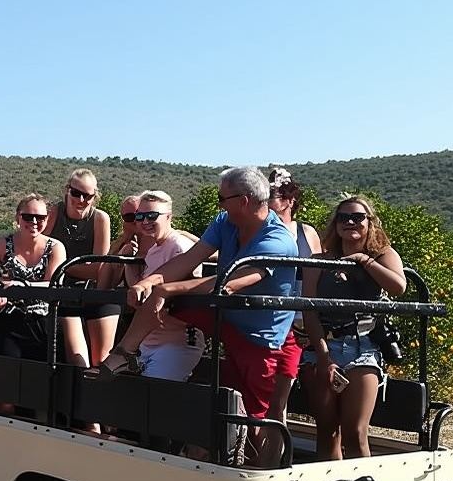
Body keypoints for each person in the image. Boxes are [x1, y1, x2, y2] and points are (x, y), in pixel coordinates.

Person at [96, 166, 298, 464]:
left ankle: (261, 477)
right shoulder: (226, 222)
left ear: (243, 201)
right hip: (225, 318)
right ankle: (124, 352)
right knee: (162, 298)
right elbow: (189, 260)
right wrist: (149, 283)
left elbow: (230, 283)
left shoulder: (276, 240)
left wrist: (167, 289)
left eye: (222, 199)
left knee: (256, 419)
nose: (219, 205)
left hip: (260, 335)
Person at [301, 196, 406, 459]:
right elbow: (309, 311)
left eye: (357, 217)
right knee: (327, 431)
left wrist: (362, 260)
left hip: (363, 348)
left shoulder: (383, 255)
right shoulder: (319, 261)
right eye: (343, 218)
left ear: (370, 222)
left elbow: (398, 286)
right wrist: (324, 357)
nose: (350, 222)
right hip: (323, 347)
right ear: (335, 224)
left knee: (356, 432)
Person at [0, 195, 65, 412]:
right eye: (28, 216)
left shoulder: (55, 247)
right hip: (9, 322)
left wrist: (21, 285)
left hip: (44, 323)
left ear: (47, 219)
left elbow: (54, 285)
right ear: (18, 217)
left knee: (43, 391)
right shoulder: (4, 244)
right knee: (3, 392)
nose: (34, 222)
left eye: (40, 217)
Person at [120, 191, 203, 381]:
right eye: (140, 216)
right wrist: (128, 262)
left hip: (176, 343)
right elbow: (140, 294)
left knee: (156, 395)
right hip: (148, 343)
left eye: (152, 215)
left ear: (169, 217)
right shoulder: (155, 249)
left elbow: (182, 297)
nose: (145, 221)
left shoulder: (180, 247)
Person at [263, 167, 323, 432]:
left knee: (280, 400)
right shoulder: (258, 230)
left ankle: (276, 450)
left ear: (289, 200)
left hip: (300, 324)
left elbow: (319, 276)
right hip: (268, 321)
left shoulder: (306, 233)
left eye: (272, 196)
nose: (266, 201)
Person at [43, 169, 117, 368]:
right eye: (76, 193)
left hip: (92, 290)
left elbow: (98, 267)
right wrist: (72, 268)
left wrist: (60, 265)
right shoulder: (53, 213)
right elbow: (39, 249)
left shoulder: (100, 218)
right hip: (62, 292)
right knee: (78, 358)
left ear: (95, 196)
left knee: (101, 361)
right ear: (67, 190)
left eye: (88, 196)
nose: (81, 200)